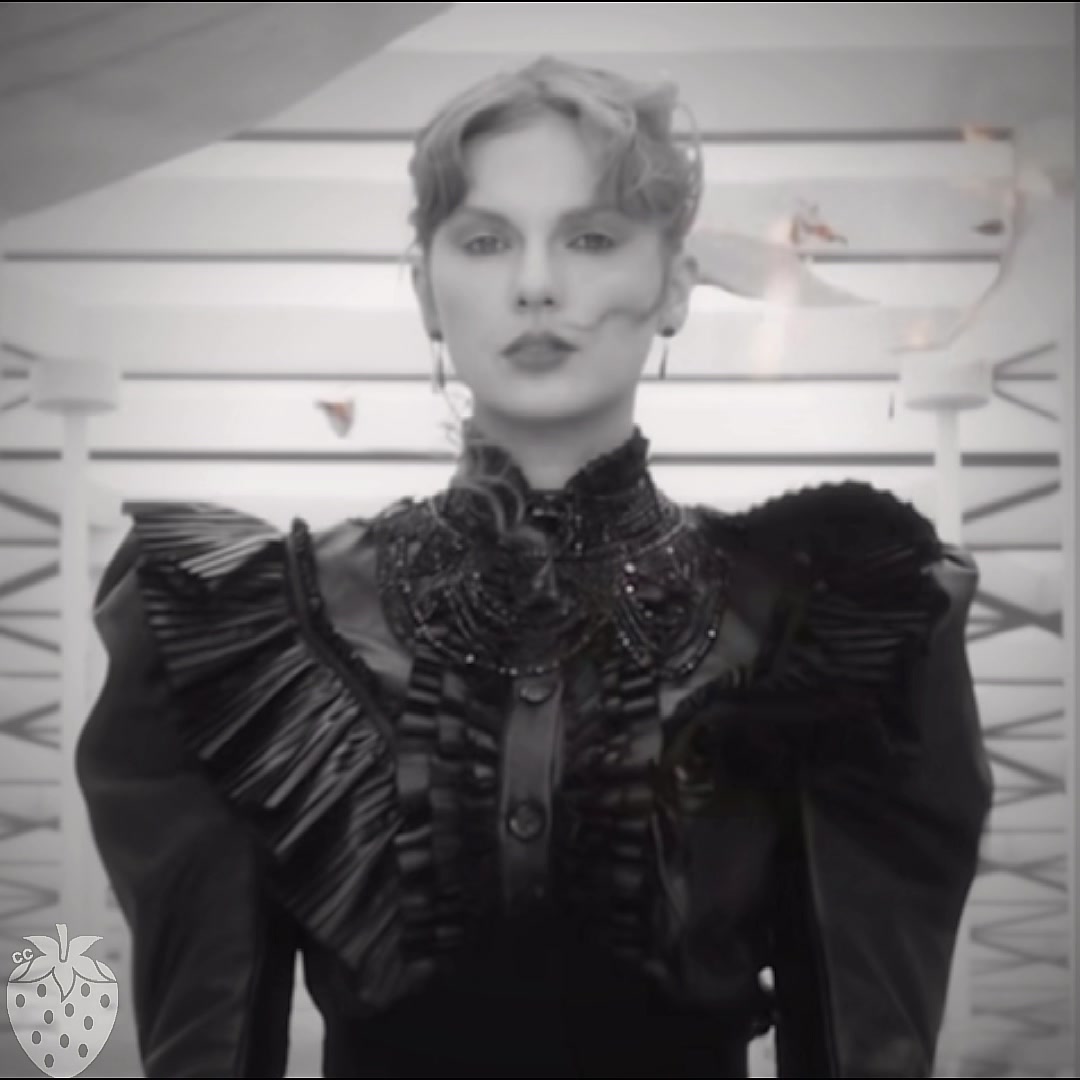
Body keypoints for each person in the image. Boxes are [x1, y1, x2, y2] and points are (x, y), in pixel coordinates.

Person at [76, 55, 993, 1078]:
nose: (536, 284)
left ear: (674, 285)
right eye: (485, 240)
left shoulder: (821, 618)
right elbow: (208, 1048)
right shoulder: (251, 626)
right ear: (426, 291)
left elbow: (865, 1049)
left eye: (592, 237)